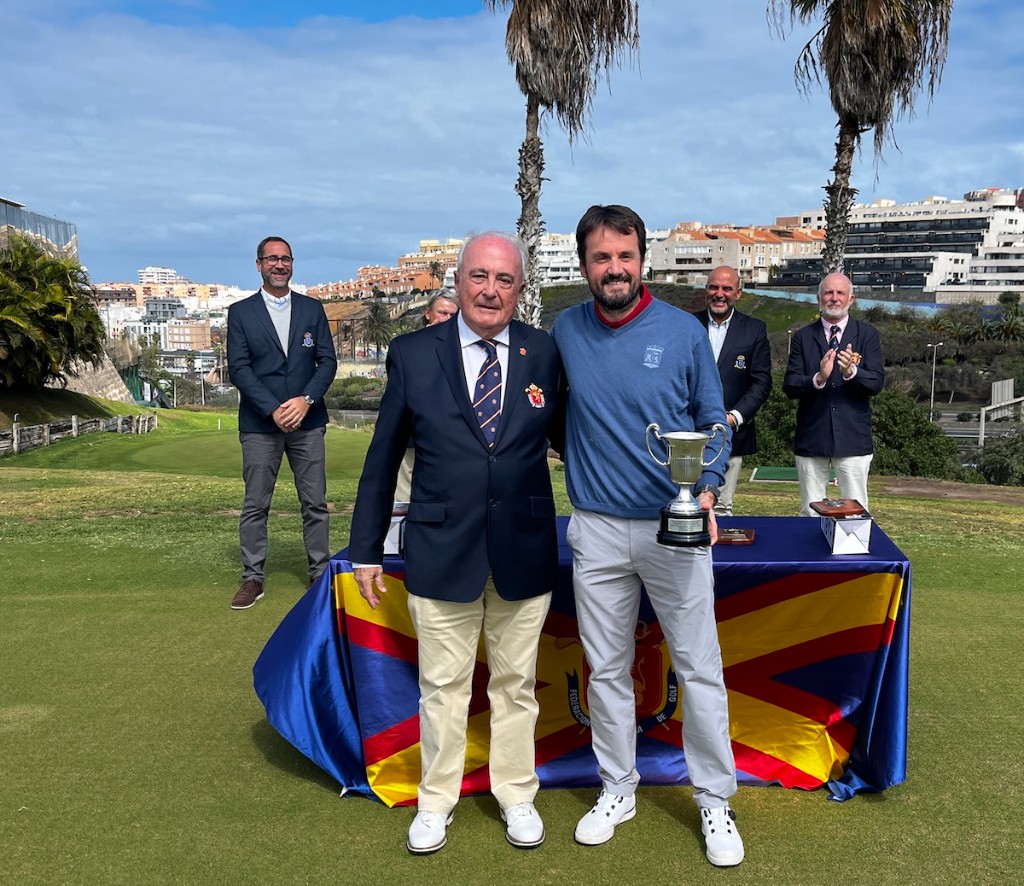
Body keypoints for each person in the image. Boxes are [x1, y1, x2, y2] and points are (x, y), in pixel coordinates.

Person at [348, 232, 563, 855]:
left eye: (504, 280)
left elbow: (573, 439)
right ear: (458, 280)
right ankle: (436, 800)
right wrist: (366, 547)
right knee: (442, 687)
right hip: (442, 548)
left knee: (516, 685)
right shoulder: (415, 354)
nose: (491, 290)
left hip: (522, 547)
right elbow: (383, 456)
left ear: (520, 290)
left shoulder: (543, 353)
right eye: (479, 277)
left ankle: (516, 794)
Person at [551, 205, 745, 868]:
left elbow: (713, 421)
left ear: (644, 261)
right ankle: (618, 787)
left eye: (625, 257)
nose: (614, 269)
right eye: (601, 258)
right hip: (597, 528)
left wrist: (707, 490)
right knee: (605, 668)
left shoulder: (684, 333)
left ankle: (715, 799)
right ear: (584, 266)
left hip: (675, 525)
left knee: (699, 666)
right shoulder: (565, 329)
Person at [226, 236, 338, 610]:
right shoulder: (241, 313)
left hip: (308, 420)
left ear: (292, 264)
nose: (279, 264)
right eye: (272, 259)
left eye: (285, 259)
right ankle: (252, 578)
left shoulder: (312, 309)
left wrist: (305, 401)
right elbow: (239, 370)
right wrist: (274, 409)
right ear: (258, 264)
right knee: (256, 504)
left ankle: (320, 576)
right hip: (260, 424)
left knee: (315, 504)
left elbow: (328, 362)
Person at [783, 272, 884, 515]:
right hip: (812, 436)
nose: (834, 298)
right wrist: (819, 378)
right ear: (819, 298)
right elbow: (791, 385)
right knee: (810, 510)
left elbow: (876, 383)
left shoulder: (867, 334)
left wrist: (852, 372)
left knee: (855, 509)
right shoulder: (802, 337)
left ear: (852, 299)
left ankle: (854, 553)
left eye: (840, 293)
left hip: (852, 437)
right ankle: (812, 553)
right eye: (829, 293)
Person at [696, 266, 772, 516]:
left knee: (720, 508)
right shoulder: (687, 324)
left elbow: (761, 382)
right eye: (714, 287)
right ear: (706, 290)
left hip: (731, 436)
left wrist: (733, 418)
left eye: (727, 288)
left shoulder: (754, 329)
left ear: (738, 293)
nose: (719, 294)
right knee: (684, 506)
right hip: (688, 434)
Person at [394, 289, 460, 502]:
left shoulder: (464, 351)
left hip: (451, 443)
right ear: (428, 313)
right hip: (413, 437)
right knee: (405, 500)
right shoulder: (409, 348)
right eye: (442, 313)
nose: (447, 319)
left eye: (452, 315)